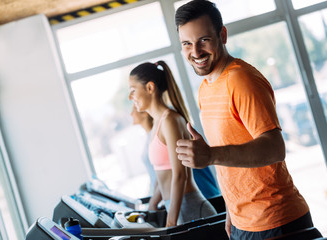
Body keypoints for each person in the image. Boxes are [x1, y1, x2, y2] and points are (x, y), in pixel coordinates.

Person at [174, 1, 321, 239]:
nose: (196, 51)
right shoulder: (205, 88)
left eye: (204, 40)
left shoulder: (241, 79)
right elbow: (232, 158)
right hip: (243, 222)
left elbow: (275, 148)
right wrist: (232, 209)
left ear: (222, 35)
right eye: (187, 44)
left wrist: (210, 155)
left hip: (275, 220)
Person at [128, 60, 217, 227]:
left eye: (133, 91)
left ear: (150, 88)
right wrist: (152, 206)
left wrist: (170, 222)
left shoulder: (170, 120)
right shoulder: (157, 123)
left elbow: (180, 174)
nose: (130, 97)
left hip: (191, 208)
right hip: (176, 208)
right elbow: (161, 175)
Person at [130, 105, 161, 209]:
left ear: (144, 113)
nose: (131, 114)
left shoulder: (156, 135)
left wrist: (153, 203)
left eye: (133, 110)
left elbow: (165, 174)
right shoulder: (149, 136)